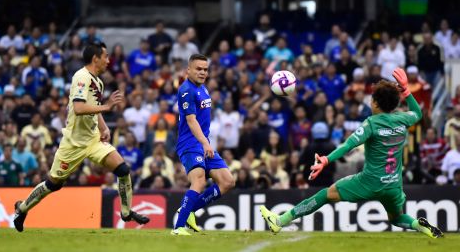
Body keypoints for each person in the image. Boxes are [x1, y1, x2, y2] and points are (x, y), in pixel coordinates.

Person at [260, 68, 443, 239]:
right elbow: (418, 113)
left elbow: (347, 146)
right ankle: (418, 225)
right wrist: (406, 91)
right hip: (394, 184)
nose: (370, 101)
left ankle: (279, 221)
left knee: (325, 194)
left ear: (377, 104)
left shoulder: (371, 123)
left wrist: (326, 159)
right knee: (397, 218)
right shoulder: (403, 119)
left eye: (372, 99)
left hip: (370, 181)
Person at [13, 43, 149, 232]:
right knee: (54, 184)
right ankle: (22, 209)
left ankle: (126, 213)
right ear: (96, 59)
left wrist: (103, 127)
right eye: (106, 56)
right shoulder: (81, 77)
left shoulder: (98, 82)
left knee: (123, 170)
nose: (108, 60)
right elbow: (78, 108)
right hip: (73, 143)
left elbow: (93, 107)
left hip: (93, 140)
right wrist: (107, 107)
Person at [172, 54, 235, 235]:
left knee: (227, 181)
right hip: (190, 144)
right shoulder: (186, 90)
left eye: (205, 69)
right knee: (198, 181)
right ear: (188, 70)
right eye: (198, 69)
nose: (202, 72)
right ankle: (178, 227)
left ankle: (188, 210)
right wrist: (205, 143)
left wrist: (206, 144)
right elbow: (191, 121)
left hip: (203, 143)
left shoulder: (203, 88)